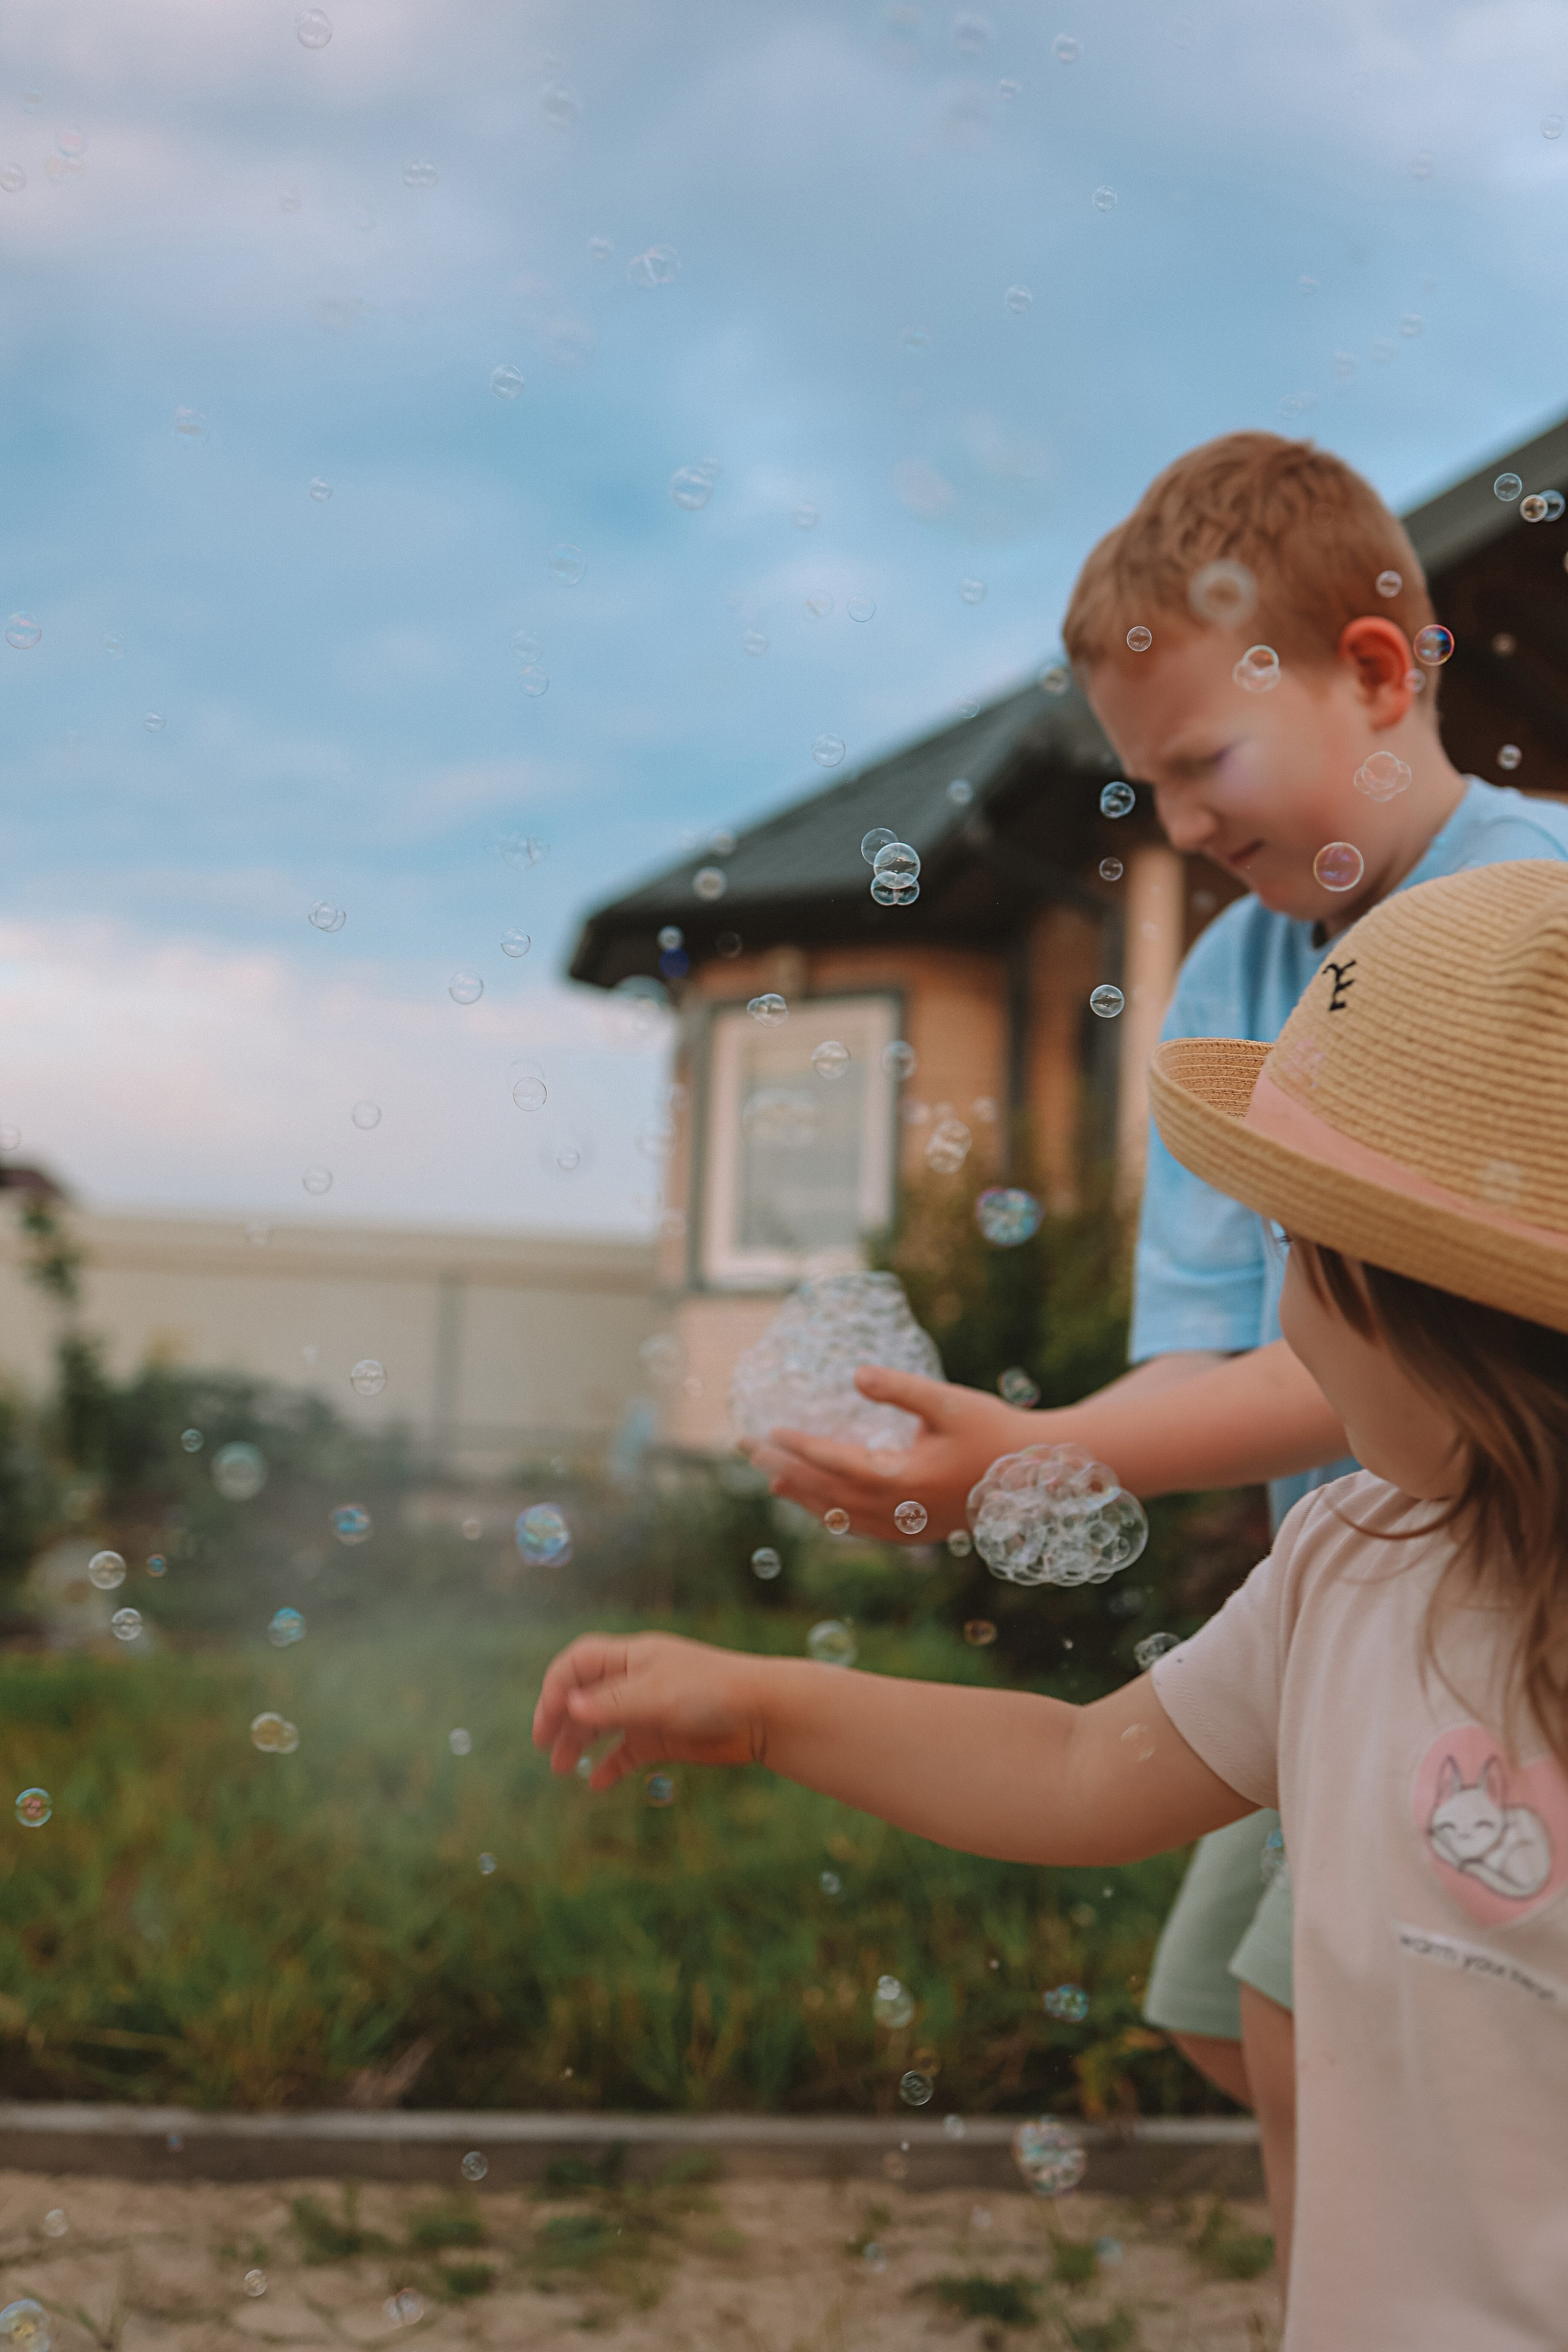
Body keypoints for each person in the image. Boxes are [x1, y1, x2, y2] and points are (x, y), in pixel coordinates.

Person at [535, 859, 1568, 2345]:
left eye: (1296, 1249)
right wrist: (764, 1708)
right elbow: (1082, 1769)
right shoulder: (1347, 1561)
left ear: (1429, 1305)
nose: (1274, 1307)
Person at [738, 432, 1568, 2271]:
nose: (1178, 824)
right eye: (1146, 781)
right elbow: (1214, 1356)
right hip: (1338, 1609)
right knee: (1221, 2003)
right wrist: (1005, 1458)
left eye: (1200, 763)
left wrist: (1056, 1454)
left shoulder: (1529, 937)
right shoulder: (1241, 978)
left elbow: (1408, 1334)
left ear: (1373, 673)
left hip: (1508, 1605)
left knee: (1300, 2012)